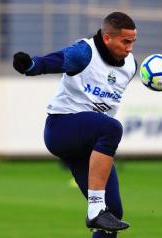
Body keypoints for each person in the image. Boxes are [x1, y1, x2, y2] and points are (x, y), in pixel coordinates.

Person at [13, 12, 137, 237]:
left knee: (114, 214)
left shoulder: (130, 65)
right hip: (61, 128)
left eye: (133, 42)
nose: (130, 48)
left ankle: (100, 211)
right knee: (111, 128)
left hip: (89, 142)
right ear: (107, 38)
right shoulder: (84, 52)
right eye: (125, 41)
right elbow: (53, 62)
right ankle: (95, 209)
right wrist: (30, 66)